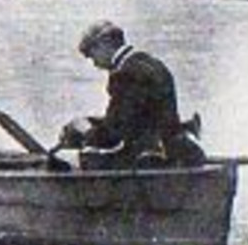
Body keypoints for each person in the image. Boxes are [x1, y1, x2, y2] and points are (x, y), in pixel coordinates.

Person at [58, 20, 205, 169]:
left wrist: (86, 129)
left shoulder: (126, 74)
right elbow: (136, 119)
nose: (94, 63)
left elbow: (114, 136)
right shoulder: (150, 63)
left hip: (142, 157)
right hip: (165, 147)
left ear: (105, 44)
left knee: (62, 158)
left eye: (92, 53)